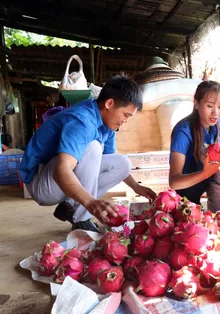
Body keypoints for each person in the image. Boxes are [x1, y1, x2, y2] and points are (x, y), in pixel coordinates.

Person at [19, 76, 157, 232]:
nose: (125, 121)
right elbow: (61, 171)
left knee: (122, 163)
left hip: (54, 179)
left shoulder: (107, 124)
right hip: (40, 183)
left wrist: (136, 187)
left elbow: (111, 161)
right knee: (93, 147)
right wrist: (91, 202)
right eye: (125, 115)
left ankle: (69, 206)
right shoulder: (82, 121)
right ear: (109, 103)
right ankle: (82, 220)